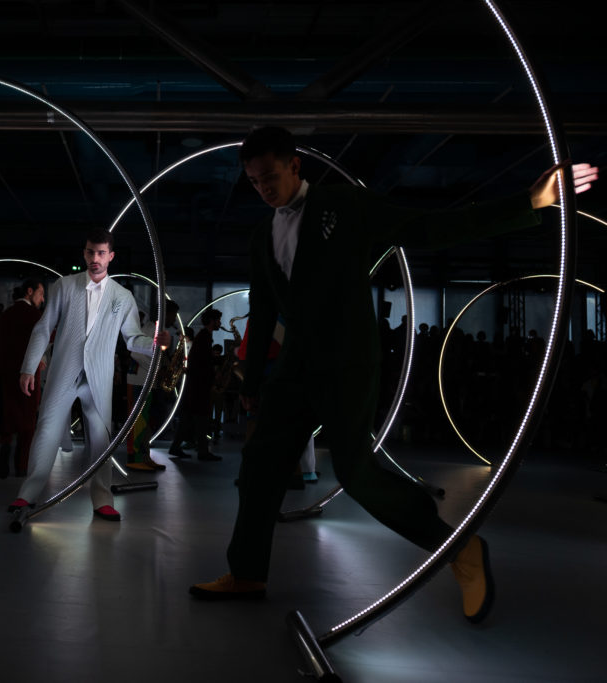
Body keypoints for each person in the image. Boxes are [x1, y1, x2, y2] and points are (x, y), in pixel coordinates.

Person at [189, 125, 597, 625]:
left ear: (295, 165)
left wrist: (527, 202)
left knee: (356, 473)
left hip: (347, 363)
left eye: (269, 176)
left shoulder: (346, 206)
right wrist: (252, 384)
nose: (263, 189)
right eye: (253, 182)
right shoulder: (262, 236)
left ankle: (457, 547)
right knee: (257, 466)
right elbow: (264, 310)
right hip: (294, 369)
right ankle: (247, 572)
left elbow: (425, 228)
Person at [9, 228, 170, 521]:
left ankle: (102, 499)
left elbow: (132, 339)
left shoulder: (123, 296)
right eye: (90, 252)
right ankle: (27, 495)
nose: (95, 258)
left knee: (101, 438)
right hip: (63, 372)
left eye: (101, 253)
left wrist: (155, 344)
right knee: (46, 430)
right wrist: (28, 367)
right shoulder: (64, 286)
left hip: (99, 376)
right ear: (84, 253)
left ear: (110, 256)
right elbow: (44, 328)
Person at [0, 278, 46, 478]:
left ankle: (5, 444)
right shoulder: (34, 315)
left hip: (6, 371)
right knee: (28, 419)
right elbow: (45, 336)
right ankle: (21, 464)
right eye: (41, 294)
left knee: (7, 413)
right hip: (29, 372)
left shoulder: (5, 315)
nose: (42, 299)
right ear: (29, 291)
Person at [125, 298, 179, 470]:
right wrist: (158, 370)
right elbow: (136, 353)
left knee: (145, 421)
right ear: (165, 314)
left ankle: (143, 456)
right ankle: (135, 458)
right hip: (140, 381)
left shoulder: (154, 329)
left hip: (145, 381)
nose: (174, 319)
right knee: (138, 422)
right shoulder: (150, 329)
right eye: (173, 315)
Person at [169, 308, 223, 461]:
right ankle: (202, 451)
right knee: (201, 418)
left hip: (195, 385)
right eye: (218, 320)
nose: (220, 323)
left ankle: (177, 447)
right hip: (199, 386)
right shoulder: (204, 337)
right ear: (212, 321)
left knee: (188, 418)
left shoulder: (203, 337)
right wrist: (216, 370)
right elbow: (202, 363)